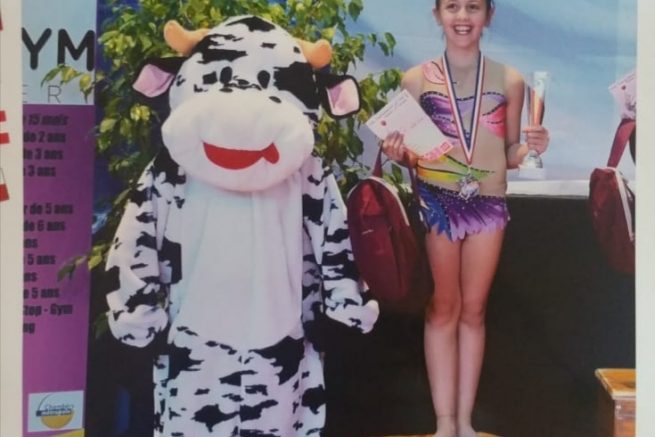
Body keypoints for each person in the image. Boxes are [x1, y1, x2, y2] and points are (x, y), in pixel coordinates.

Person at [380, 1, 550, 436]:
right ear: (437, 14)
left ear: (488, 16)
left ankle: (465, 423)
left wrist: (532, 147)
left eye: (473, 7)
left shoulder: (510, 81)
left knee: (473, 310)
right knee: (443, 308)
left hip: (488, 203)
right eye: (452, 6)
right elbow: (412, 151)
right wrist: (398, 153)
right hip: (437, 204)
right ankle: (444, 423)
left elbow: (509, 153)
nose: (462, 16)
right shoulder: (416, 79)